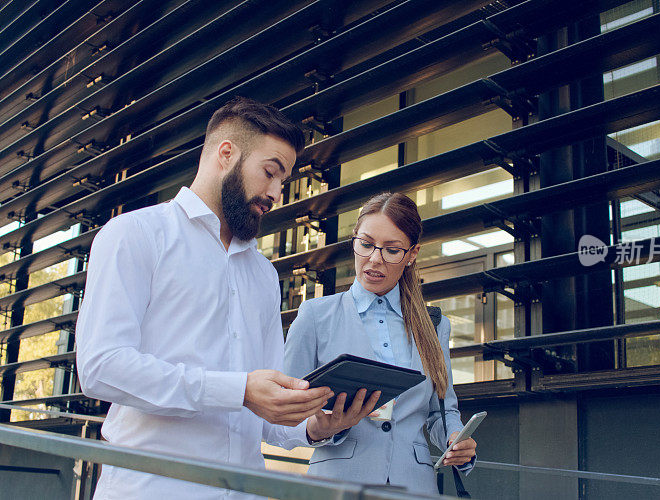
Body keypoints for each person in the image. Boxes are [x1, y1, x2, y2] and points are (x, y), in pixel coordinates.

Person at [76, 96, 337, 499]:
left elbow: (264, 412)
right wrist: (238, 391)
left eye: (282, 182)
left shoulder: (264, 275)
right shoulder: (135, 235)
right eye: (270, 173)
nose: (276, 193)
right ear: (226, 153)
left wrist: (314, 427)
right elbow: (100, 367)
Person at [283, 192, 477, 495]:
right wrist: (317, 429)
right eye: (366, 244)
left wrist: (456, 437)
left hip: (414, 486)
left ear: (412, 254)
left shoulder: (434, 325)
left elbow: (441, 410)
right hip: (337, 484)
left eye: (392, 250)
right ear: (354, 241)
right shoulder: (315, 316)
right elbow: (286, 409)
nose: (374, 259)